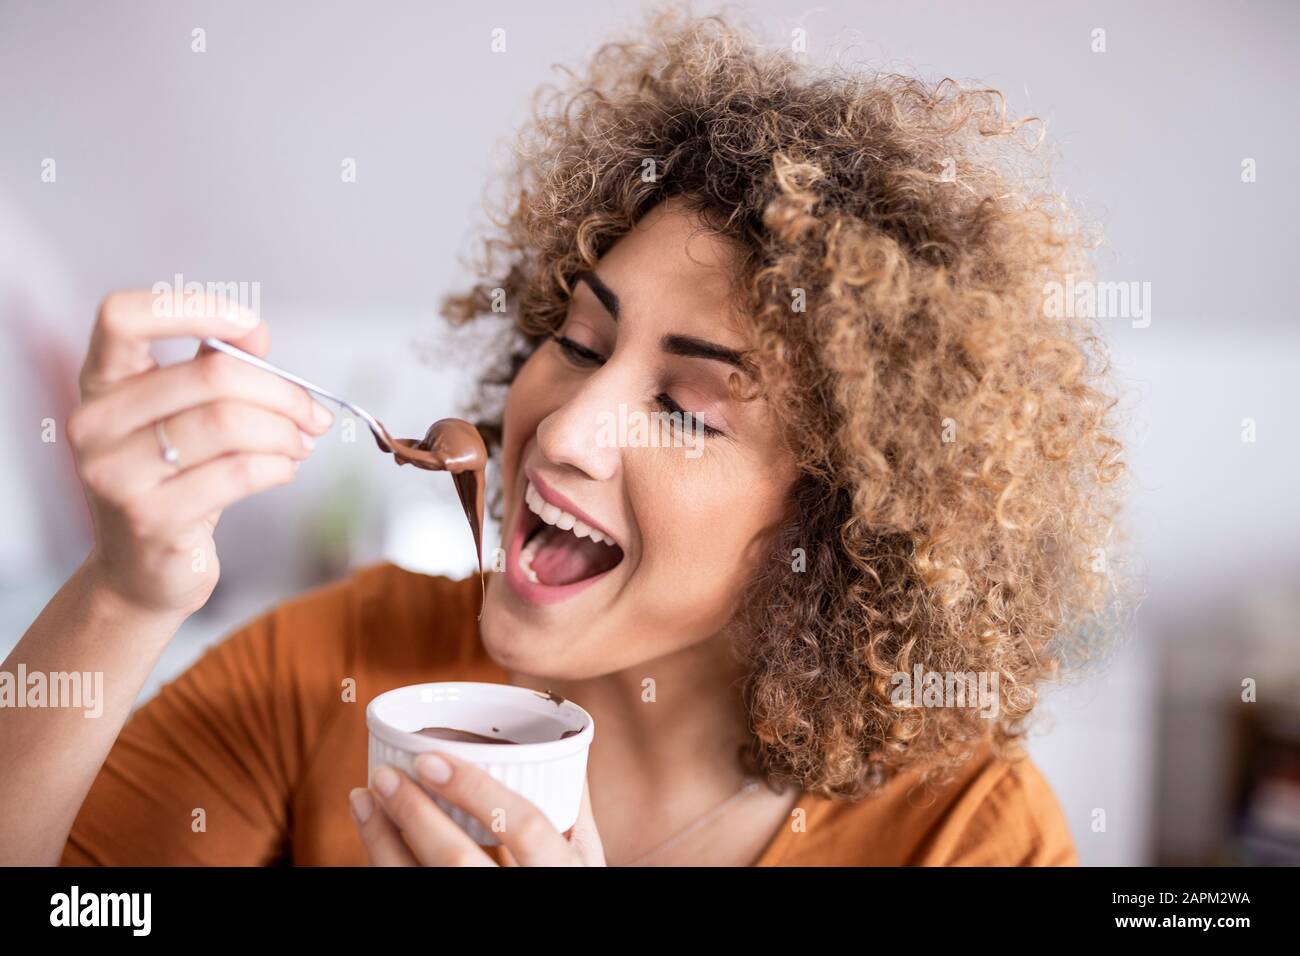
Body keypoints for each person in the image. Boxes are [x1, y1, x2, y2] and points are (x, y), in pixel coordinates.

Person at [1, 11, 1123, 867]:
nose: (567, 429)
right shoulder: (328, 670)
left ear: (838, 518)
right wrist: (123, 591)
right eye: (581, 341)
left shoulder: (963, 830)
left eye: (685, 408)